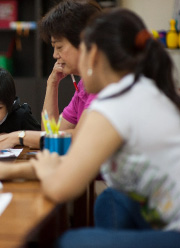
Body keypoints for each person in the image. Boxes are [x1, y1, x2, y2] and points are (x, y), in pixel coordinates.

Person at [31, 8, 180, 247]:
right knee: (111, 199)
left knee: (72, 241)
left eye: (60, 47)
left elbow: (60, 187)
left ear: (93, 55)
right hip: (158, 213)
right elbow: (57, 132)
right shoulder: (139, 88)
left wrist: (46, 171)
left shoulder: (113, 103)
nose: (55, 56)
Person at [0, 0, 101, 156]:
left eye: (59, 47)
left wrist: (19, 136)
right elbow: (51, 133)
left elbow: (78, 138)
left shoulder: (103, 85)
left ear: (85, 42)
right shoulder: (83, 86)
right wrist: (52, 85)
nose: (55, 55)